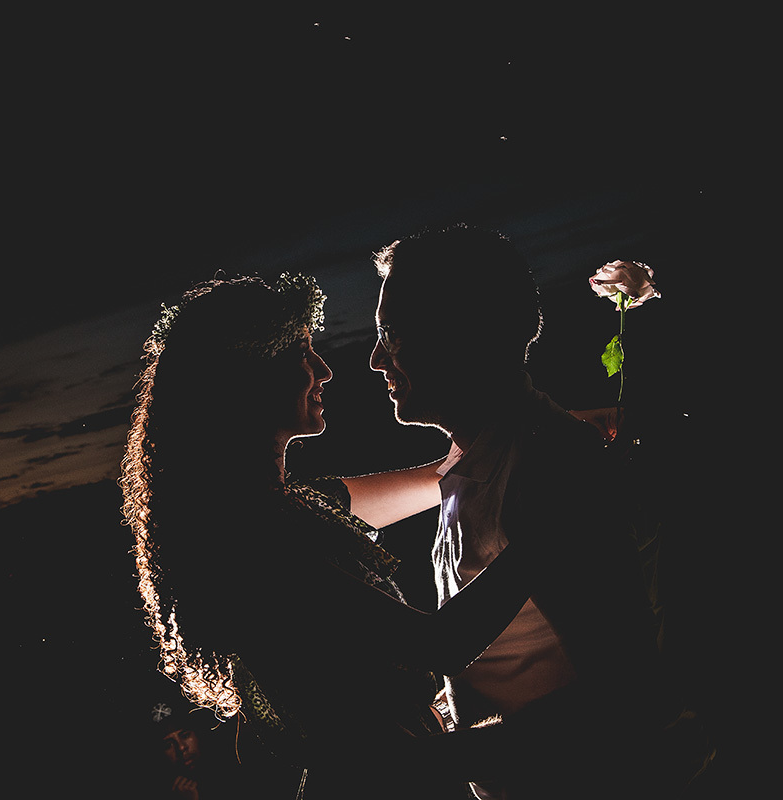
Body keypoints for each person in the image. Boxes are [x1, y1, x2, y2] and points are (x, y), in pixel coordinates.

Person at [121, 273, 616, 799]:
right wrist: (561, 518)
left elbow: (442, 474)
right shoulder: (251, 536)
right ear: (248, 381)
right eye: (303, 354)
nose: (324, 370)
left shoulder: (294, 508)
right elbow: (440, 643)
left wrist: (574, 427)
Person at [368, 224, 714, 798]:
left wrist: (424, 760)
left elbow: (629, 703)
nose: (376, 359)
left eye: (393, 334)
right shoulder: (476, 460)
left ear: (464, 336)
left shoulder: (549, 472)